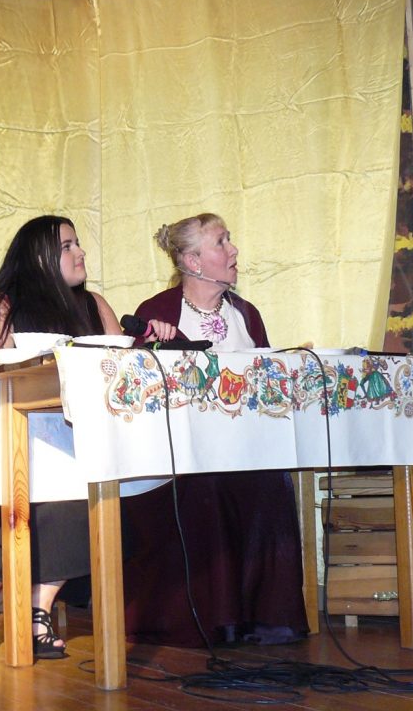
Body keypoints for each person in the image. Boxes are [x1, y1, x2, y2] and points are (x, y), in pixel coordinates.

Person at [0, 214, 174, 659]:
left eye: (77, 244)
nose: (80, 252)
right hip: (22, 431)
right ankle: (5, 602)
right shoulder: (6, 303)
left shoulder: (95, 304)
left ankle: (19, 604)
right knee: (28, 487)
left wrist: (150, 342)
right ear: (39, 256)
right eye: (67, 246)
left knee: (88, 483)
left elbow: (120, 364)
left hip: (79, 435)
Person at [121, 212, 308, 647]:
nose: (233, 249)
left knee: (272, 479)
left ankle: (268, 618)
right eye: (221, 242)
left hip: (244, 450)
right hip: (179, 459)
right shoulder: (156, 313)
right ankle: (218, 619)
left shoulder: (246, 314)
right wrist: (153, 348)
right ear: (193, 261)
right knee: (209, 482)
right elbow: (137, 395)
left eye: (229, 240)